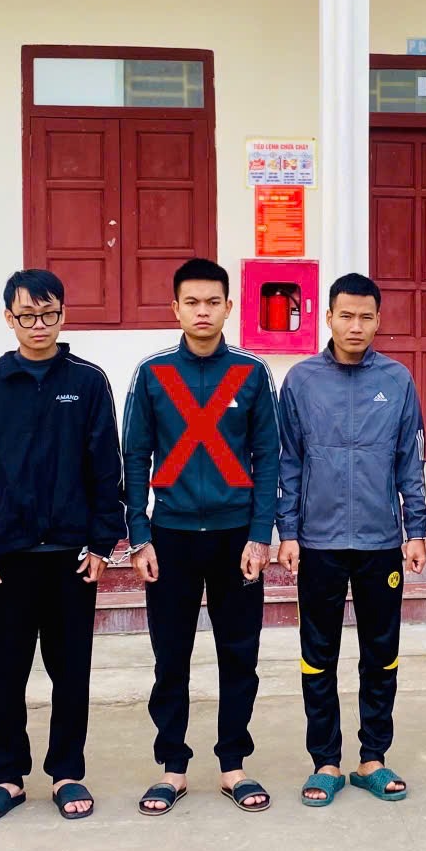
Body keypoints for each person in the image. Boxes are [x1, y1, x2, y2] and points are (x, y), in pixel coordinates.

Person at [0, 269, 126, 823]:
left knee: (71, 673)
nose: (39, 325)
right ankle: (6, 776)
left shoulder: (88, 382)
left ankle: (67, 772)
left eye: (49, 314)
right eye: (27, 315)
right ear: (9, 318)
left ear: (63, 315)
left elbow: (106, 469)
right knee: (7, 673)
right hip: (5, 561)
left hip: (72, 559)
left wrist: (102, 543)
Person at [123, 258, 279, 815]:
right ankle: (173, 767)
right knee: (171, 658)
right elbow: (134, 456)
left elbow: (268, 456)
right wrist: (138, 535)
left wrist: (261, 534)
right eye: (192, 302)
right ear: (175, 309)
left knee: (240, 656)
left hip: (237, 538)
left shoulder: (252, 373)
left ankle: (234, 765)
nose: (203, 312)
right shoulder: (153, 373)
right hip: (171, 537)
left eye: (213, 302)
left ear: (229, 307)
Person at [275, 272, 426, 807]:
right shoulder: (301, 381)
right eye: (346, 315)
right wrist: (288, 531)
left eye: (366, 317)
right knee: (317, 657)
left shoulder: (397, 380)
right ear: (328, 318)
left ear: (378, 320)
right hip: (318, 543)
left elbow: (409, 460)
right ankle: (325, 761)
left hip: (380, 542)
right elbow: (288, 462)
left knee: (380, 655)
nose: (356, 326)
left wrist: (416, 529)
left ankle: (372, 759)